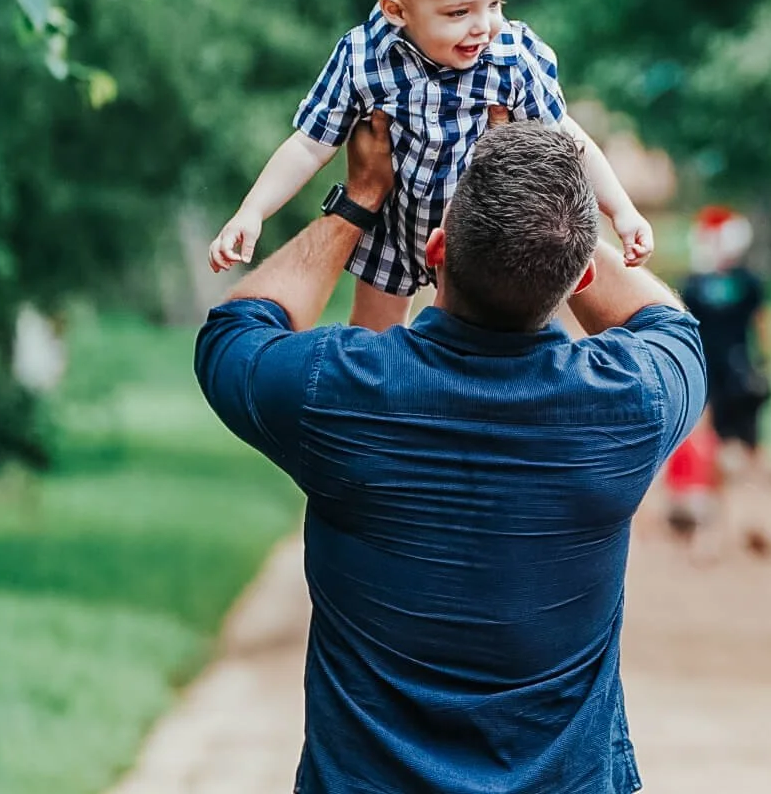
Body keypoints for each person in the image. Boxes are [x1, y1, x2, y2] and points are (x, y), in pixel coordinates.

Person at [193, 115, 703, 794]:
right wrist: (559, 241)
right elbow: (670, 328)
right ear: (580, 277)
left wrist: (361, 198)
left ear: (435, 250)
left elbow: (234, 332)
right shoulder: (628, 404)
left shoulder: (338, 391)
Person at [207, 0, 653, 330]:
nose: (483, 26)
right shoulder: (365, 58)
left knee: (504, 334)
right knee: (373, 338)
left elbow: (569, 140)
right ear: (396, 10)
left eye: (495, 4)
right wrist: (252, 211)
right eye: (459, 12)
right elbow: (308, 145)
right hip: (396, 231)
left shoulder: (511, 57)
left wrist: (621, 210)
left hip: (486, 236)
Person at [676, 206, 771, 555]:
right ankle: (748, 522)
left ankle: (722, 531)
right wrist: (766, 366)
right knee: (747, 453)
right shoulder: (748, 282)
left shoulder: (695, 285)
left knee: (717, 453)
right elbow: (765, 327)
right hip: (737, 373)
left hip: (711, 376)